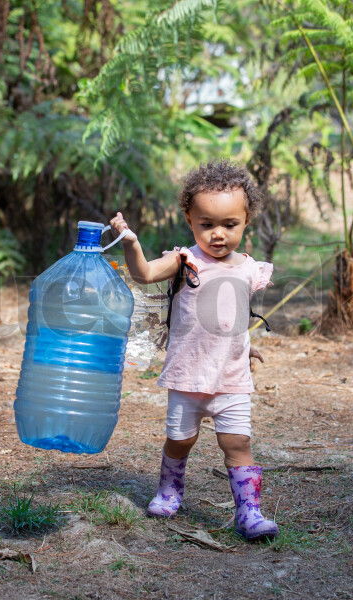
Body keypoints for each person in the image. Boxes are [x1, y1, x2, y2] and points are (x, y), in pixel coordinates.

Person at [109, 160, 278, 540]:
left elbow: (232, 316)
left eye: (230, 225)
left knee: (237, 442)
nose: (218, 234)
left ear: (246, 220)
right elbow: (145, 275)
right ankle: (170, 490)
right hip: (188, 376)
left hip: (232, 378)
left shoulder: (250, 269)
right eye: (207, 225)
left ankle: (249, 512)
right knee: (181, 439)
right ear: (189, 219)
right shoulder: (185, 260)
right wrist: (133, 243)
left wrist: (245, 347)